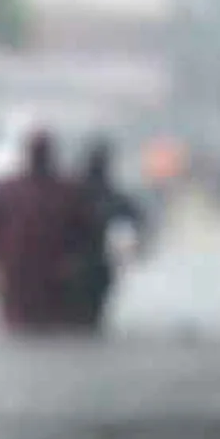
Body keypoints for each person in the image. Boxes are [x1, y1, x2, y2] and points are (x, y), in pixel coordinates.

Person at [0, 129, 97, 335]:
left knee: (40, 326)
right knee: (24, 325)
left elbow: (85, 234)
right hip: (20, 273)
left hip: (46, 274)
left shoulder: (66, 191)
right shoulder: (10, 189)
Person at [72, 138, 152, 332]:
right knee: (87, 323)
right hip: (91, 265)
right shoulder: (102, 195)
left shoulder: (73, 192)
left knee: (80, 323)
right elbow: (138, 219)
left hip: (85, 265)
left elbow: (137, 219)